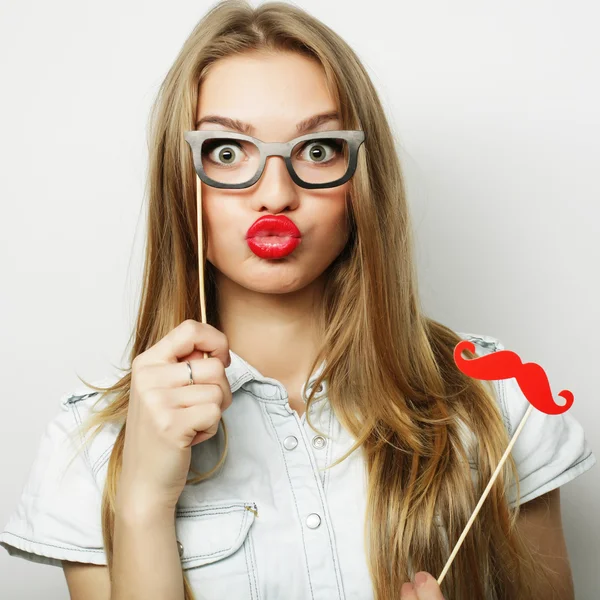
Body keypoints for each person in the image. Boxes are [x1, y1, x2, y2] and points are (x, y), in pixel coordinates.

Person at [0, 1, 596, 599]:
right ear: (182, 183)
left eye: (317, 150)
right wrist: (143, 501)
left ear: (363, 179)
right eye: (227, 152)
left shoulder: (497, 406)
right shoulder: (93, 447)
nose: (276, 194)